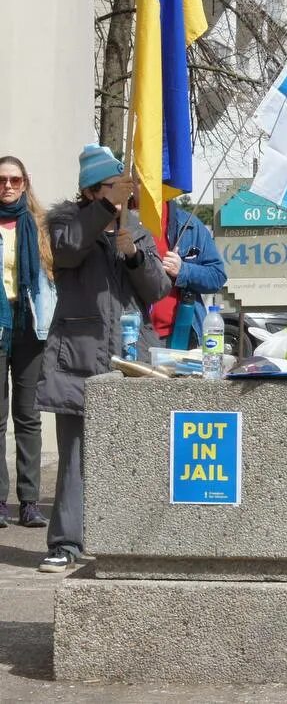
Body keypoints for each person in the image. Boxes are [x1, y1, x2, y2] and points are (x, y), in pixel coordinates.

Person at [35, 145, 171, 572]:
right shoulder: (65, 222)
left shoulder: (136, 228)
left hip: (131, 355)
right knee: (74, 453)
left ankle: (130, 538)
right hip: (78, 353)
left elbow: (157, 290)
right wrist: (104, 215)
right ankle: (65, 542)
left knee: (133, 452)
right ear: (93, 190)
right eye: (115, 187)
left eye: (124, 187)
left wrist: (133, 254)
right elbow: (68, 250)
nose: (124, 195)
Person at [0, 156, 55, 529]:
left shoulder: (39, 226)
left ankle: (30, 502)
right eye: (1, 180)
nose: (7, 186)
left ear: (25, 183)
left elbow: (53, 277)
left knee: (28, 417)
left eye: (14, 180)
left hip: (29, 328)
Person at [146, 199, 227, 350]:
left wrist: (183, 270)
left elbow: (217, 276)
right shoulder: (119, 223)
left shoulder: (189, 225)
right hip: (131, 337)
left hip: (180, 338)